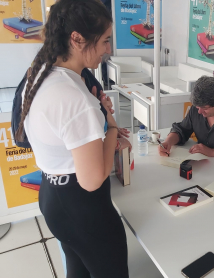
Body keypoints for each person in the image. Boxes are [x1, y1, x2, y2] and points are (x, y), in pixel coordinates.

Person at [16, 0, 128, 277]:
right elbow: (91, 180)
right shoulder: (74, 97)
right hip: (84, 209)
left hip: (53, 196)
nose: (108, 50)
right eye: (105, 41)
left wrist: (94, 118)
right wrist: (110, 128)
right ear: (77, 39)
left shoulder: (41, 73)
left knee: (77, 271)